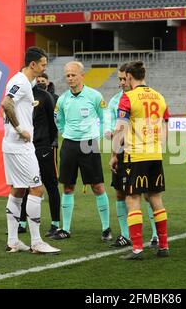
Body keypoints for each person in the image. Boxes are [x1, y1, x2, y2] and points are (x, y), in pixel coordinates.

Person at [1, 46, 60, 254]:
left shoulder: (22, 81)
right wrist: (20, 129)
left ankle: (13, 240)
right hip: (20, 146)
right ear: (33, 64)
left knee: (18, 189)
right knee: (37, 189)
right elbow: (6, 103)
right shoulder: (20, 82)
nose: (45, 68)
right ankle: (36, 242)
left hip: (10, 145)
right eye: (43, 64)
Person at [110, 61, 170, 260]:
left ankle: (137, 248)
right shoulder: (160, 97)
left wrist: (114, 154)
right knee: (155, 199)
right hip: (155, 154)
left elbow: (120, 128)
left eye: (125, 77)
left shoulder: (128, 98)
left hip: (134, 155)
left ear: (129, 77)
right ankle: (163, 246)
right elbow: (165, 125)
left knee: (132, 198)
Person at [52, 61, 111, 241]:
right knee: (68, 187)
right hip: (69, 144)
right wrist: (65, 132)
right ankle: (66, 229)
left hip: (89, 144)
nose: (70, 79)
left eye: (73, 75)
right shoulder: (62, 99)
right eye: (67, 75)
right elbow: (58, 119)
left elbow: (105, 116)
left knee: (97, 186)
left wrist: (99, 134)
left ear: (82, 76)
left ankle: (106, 228)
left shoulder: (94, 96)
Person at [18, 79, 61, 238]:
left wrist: (49, 144)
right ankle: (22, 223)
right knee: (24, 185)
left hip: (43, 147)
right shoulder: (19, 96)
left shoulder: (44, 96)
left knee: (50, 185)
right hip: (25, 147)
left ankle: (55, 224)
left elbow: (53, 123)